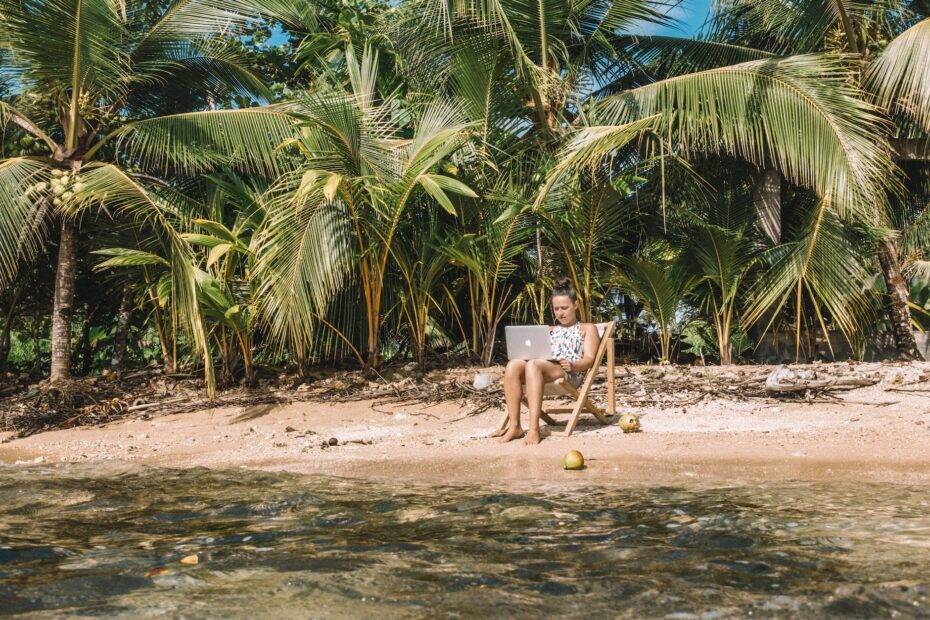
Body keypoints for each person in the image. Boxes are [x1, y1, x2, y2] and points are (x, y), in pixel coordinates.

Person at [500, 278, 600, 445]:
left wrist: (573, 365)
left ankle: (533, 430)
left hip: (570, 372)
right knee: (513, 365)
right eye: (556, 309)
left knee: (533, 364)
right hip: (542, 370)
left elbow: (589, 360)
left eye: (564, 308)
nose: (560, 313)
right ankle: (515, 426)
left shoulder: (587, 328)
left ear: (575, 305)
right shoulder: (549, 330)